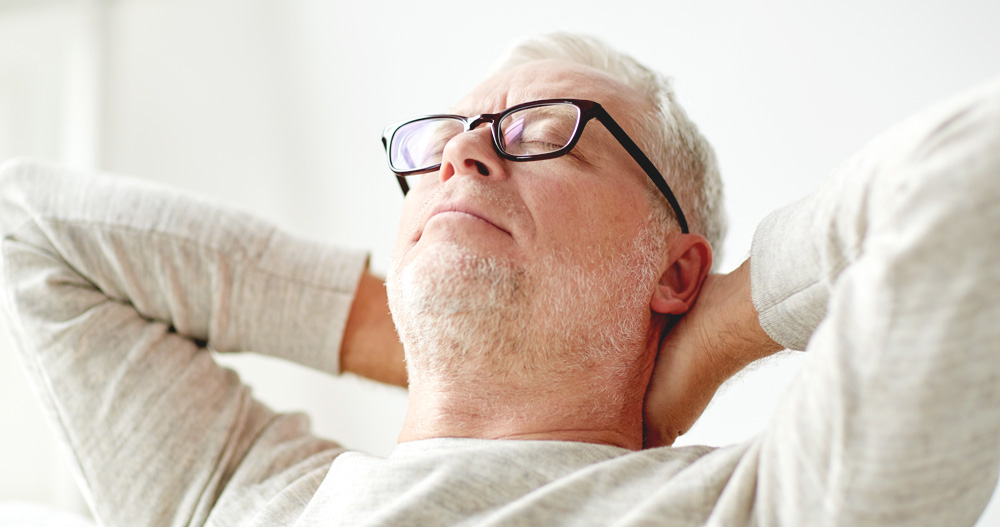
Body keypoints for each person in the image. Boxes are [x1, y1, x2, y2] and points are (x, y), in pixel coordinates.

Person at [0, 32, 997, 526]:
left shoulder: (765, 501)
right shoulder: (238, 497)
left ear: (674, 269)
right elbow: (25, 223)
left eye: (539, 132)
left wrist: (719, 328)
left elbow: (972, 177)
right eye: (446, 137)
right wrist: (412, 326)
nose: (465, 154)